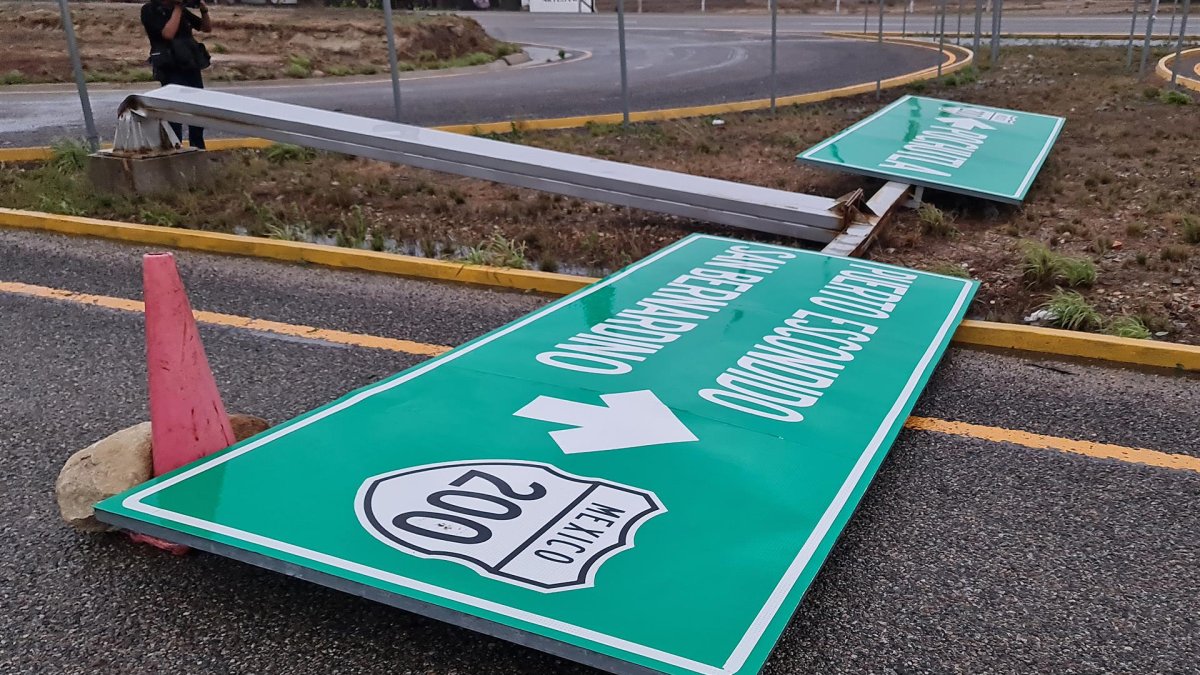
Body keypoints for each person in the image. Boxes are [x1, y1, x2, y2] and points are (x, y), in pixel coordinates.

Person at [140, 0, 212, 149]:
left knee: (197, 108)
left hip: (189, 64)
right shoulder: (150, 10)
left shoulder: (179, 10)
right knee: (174, 111)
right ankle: (174, 147)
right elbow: (168, 33)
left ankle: (198, 146)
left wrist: (204, 10)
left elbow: (206, 28)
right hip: (170, 67)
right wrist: (178, 8)